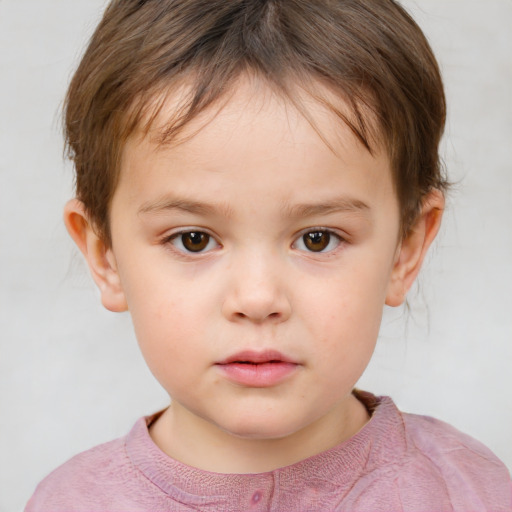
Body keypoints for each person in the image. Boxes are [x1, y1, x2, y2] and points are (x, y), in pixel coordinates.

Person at [26, 0, 511, 510]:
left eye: (317, 238)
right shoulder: (70, 501)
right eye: (193, 239)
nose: (258, 299)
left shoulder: (472, 492)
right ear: (105, 255)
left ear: (405, 250)